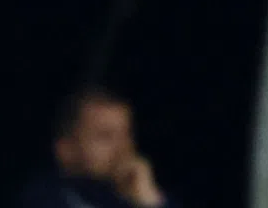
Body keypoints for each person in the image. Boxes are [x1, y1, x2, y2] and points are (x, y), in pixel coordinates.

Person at [17, 88, 173, 208]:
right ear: (65, 149)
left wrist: (151, 201)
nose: (123, 148)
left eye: (126, 135)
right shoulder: (42, 198)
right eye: (105, 136)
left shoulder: (135, 198)